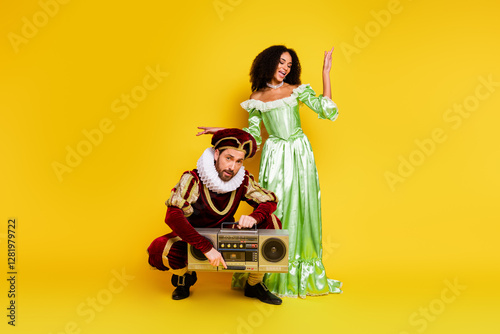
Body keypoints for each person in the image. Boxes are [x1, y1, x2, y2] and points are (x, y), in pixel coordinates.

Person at [197, 45, 342, 298]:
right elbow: (252, 138)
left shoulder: (296, 90)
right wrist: (220, 131)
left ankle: (298, 272)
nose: (285, 68)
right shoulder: (257, 98)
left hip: (299, 152)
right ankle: (265, 272)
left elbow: (326, 109)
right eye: (281, 63)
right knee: (275, 206)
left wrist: (326, 73)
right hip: (274, 155)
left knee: (303, 206)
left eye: (289, 64)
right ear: (269, 63)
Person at [147, 128, 283, 305]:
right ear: (216, 154)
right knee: (159, 249)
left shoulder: (243, 180)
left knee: (272, 221)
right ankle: (185, 278)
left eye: (238, 161)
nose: (232, 167)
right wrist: (205, 247)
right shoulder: (193, 178)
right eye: (228, 158)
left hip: (225, 236)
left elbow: (270, 200)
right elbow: (173, 216)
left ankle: (254, 284)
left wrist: (255, 217)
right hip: (195, 239)